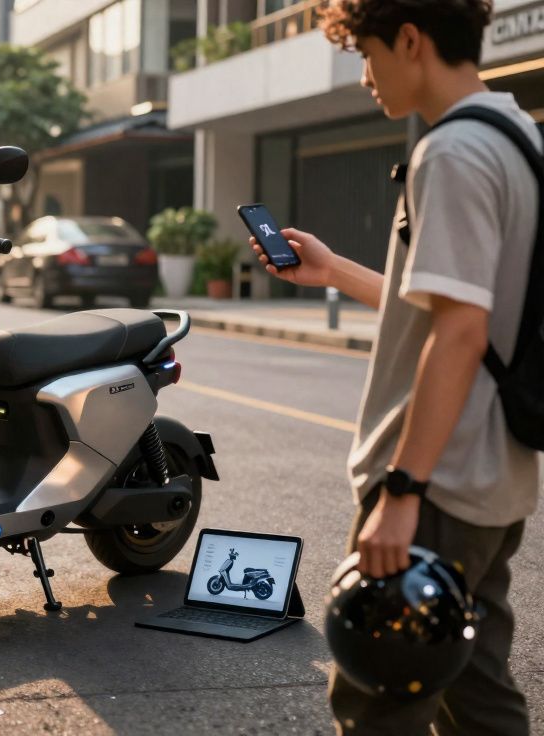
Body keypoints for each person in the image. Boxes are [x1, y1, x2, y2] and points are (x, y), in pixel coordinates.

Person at [249, 1, 540, 733]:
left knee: (378, 699)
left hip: (438, 483)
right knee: (476, 696)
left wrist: (403, 491)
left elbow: (462, 335)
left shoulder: (453, 152)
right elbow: (450, 310)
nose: (366, 77)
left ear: (410, 40)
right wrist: (335, 272)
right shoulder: (519, 139)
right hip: (493, 477)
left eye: (367, 54)